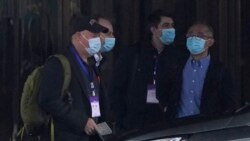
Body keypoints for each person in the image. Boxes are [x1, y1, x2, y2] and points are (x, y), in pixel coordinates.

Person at [38, 15, 109, 141]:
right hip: (69, 135)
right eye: (94, 36)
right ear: (78, 37)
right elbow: (48, 100)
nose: (99, 40)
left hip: (93, 136)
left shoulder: (92, 63)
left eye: (99, 36)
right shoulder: (58, 64)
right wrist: (82, 122)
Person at [109, 9, 179, 132]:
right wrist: (121, 118)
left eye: (172, 26)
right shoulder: (134, 54)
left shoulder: (175, 57)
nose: (171, 30)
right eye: (166, 26)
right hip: (133, 123)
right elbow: (116, 88)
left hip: (162, 123)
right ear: (153, 29)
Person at [158, 22, 240, 120]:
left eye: (200, 35)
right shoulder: (176, 65)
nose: (193, 38)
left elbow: (229, 105)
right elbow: (163, 90)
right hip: (177, 127)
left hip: (205, 129)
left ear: (210, 42)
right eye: (190, 34)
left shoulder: (220, 70)